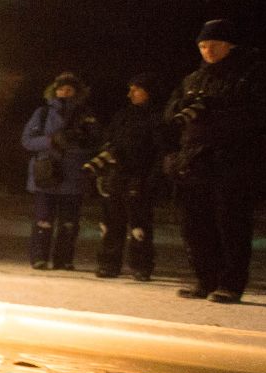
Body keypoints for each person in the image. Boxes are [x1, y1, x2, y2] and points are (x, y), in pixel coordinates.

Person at [165, 19, 266, 302]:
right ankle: (205, 279)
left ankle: (230, 283)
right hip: (195, 162)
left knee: (231, 225)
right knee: (195, 225)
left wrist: (216, 115)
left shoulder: (251, 74)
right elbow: (170, 117)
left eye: (213, 45)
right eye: (202, 46)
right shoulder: (193, 79)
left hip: (233, 161)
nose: (208, 51)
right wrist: (182, 110)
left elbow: (264, 114)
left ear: (229, 45)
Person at [88, 73, 163, 281]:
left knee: (139, 225)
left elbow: (160, 151)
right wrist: (104, 167)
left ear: (148, 92)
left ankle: (141, 265)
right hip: (116, 176)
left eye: (136, 89)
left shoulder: (156, 118)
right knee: (111, 222)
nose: (130, 93)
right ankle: (109, 263)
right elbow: (108, 141)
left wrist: (152, 179)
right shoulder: (122, 116)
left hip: (139, 177)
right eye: (130, 89)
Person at [20, 71, 98, 270]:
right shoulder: (43, 113)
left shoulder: (86, 115)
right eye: (61, 89)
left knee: (69, 223)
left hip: (73, 177)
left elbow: (95, 143)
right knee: (43, 220)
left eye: (69, 89)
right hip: (47, 174)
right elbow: (27, 141)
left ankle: (64, 259)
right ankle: (39, 258)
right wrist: (50, 141)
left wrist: (77, 141)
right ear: (54, 91)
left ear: (76, 92)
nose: (64, 92)